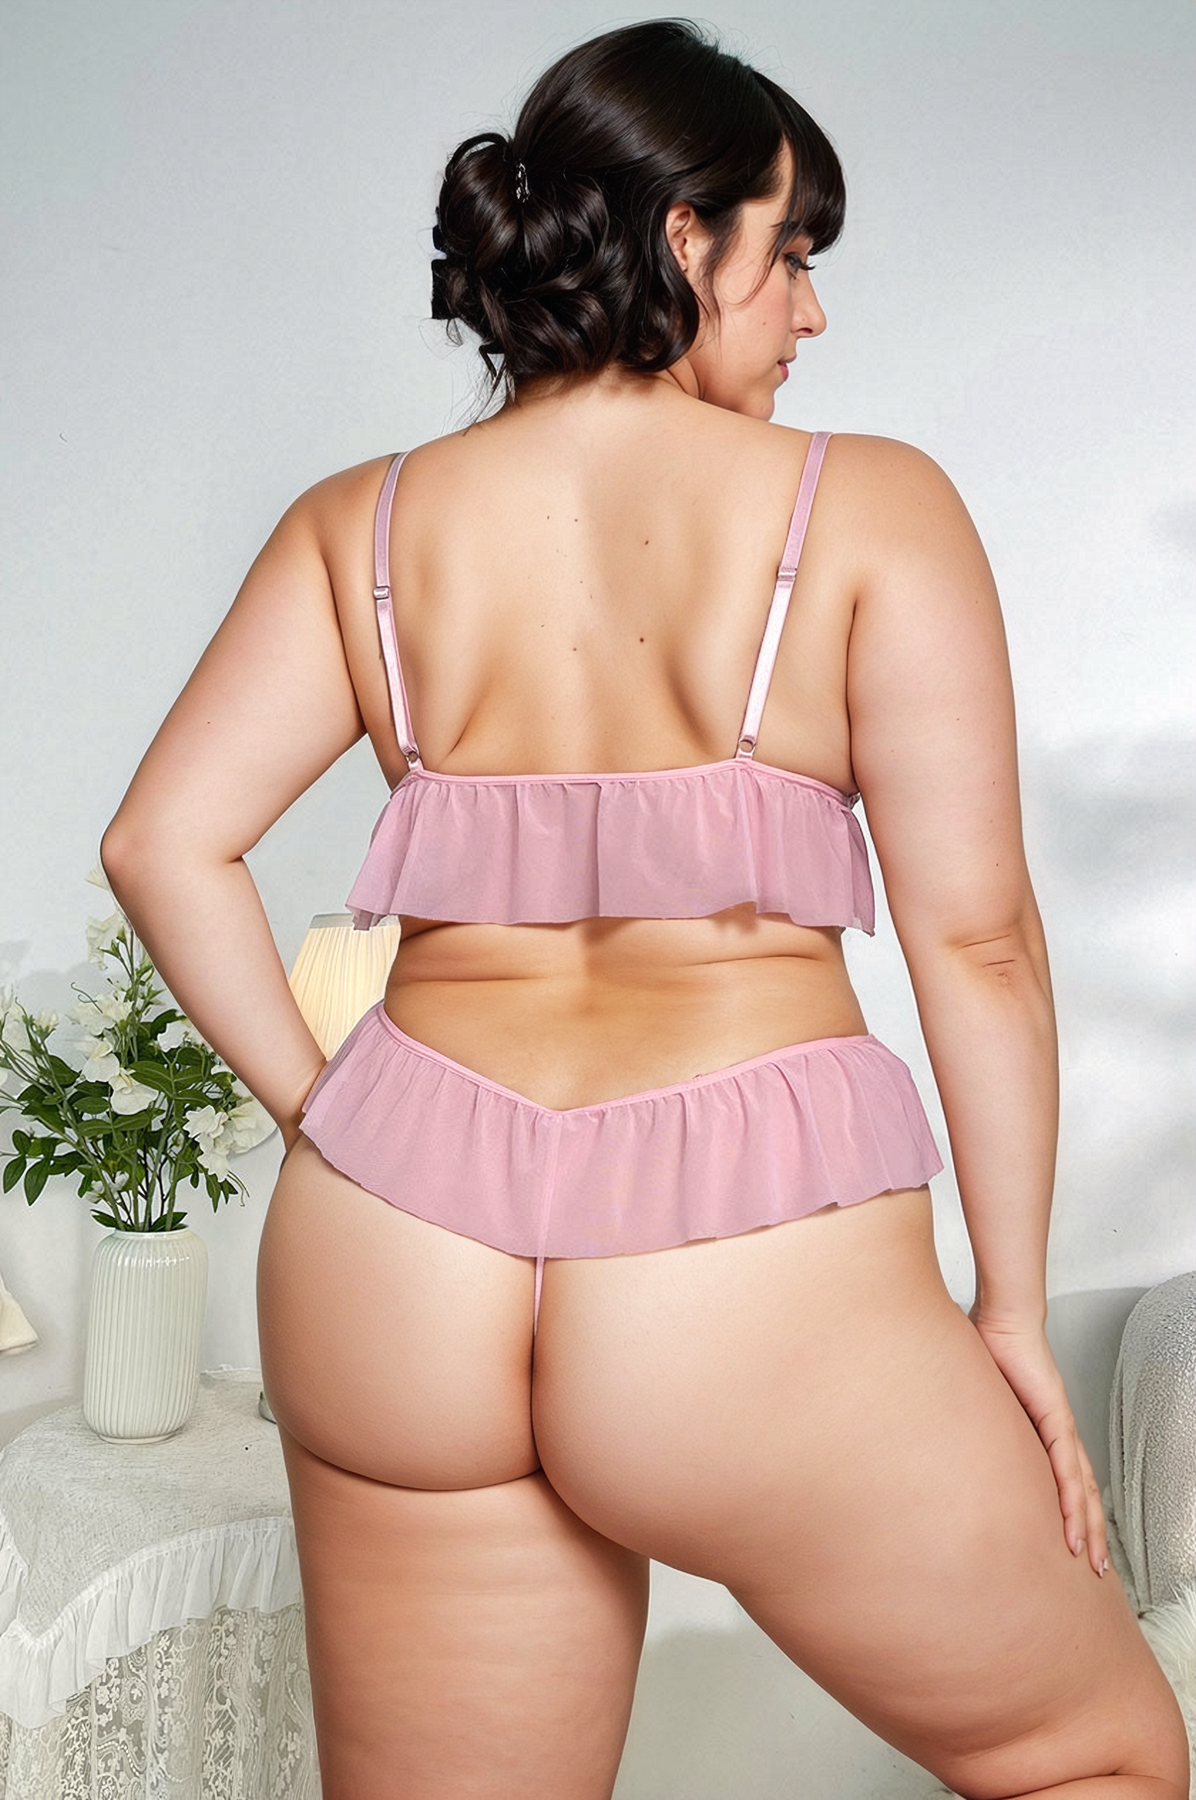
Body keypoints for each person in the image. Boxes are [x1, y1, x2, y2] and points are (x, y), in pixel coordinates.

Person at [100, 19, 1188, 1799]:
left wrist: (339, 1120)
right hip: (739, 1269)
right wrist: (1010, 1308)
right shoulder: (870, 507)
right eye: (792, 253)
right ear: (685, 239)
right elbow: (979, 946)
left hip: (397, 1263)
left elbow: (160, 844)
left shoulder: (356, 526)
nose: (812, 312)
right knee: (1105, 1761)